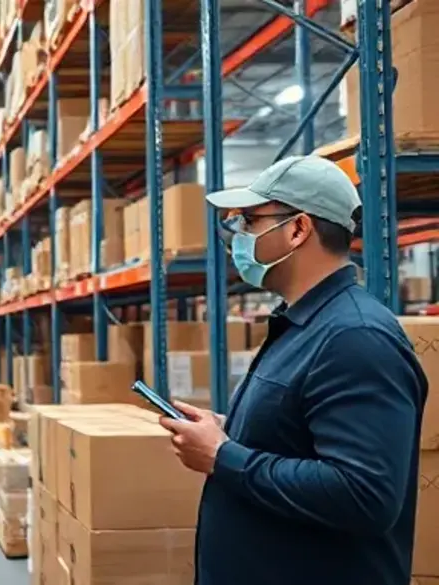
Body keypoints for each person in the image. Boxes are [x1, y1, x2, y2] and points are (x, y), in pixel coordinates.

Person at [158, 155, 428, 585]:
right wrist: (234, 430)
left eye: (249, 220)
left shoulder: (355, 338)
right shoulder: (304, 324)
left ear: (298, 229)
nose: (238, 236)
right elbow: (303, 432)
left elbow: (365, 493)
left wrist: (224, 456)